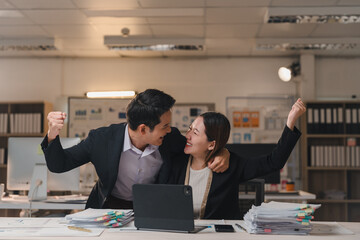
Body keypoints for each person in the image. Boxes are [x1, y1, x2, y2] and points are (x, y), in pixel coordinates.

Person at [41, 89, 229, 209]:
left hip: (151, 208)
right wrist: (52, 134)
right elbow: (59, 164)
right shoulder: (101, 139)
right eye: (164, 126)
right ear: (143, 129)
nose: (170, 130)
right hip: (109, 207)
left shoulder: (169, 139)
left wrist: (222, 152)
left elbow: (200, 147)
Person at [169, 98, 306, 220]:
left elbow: (274, 162)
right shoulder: (177, 162)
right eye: (190, 128)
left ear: (211, 144)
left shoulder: (231, 165)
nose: (187, 135)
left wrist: (290, 122)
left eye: (195, 132)